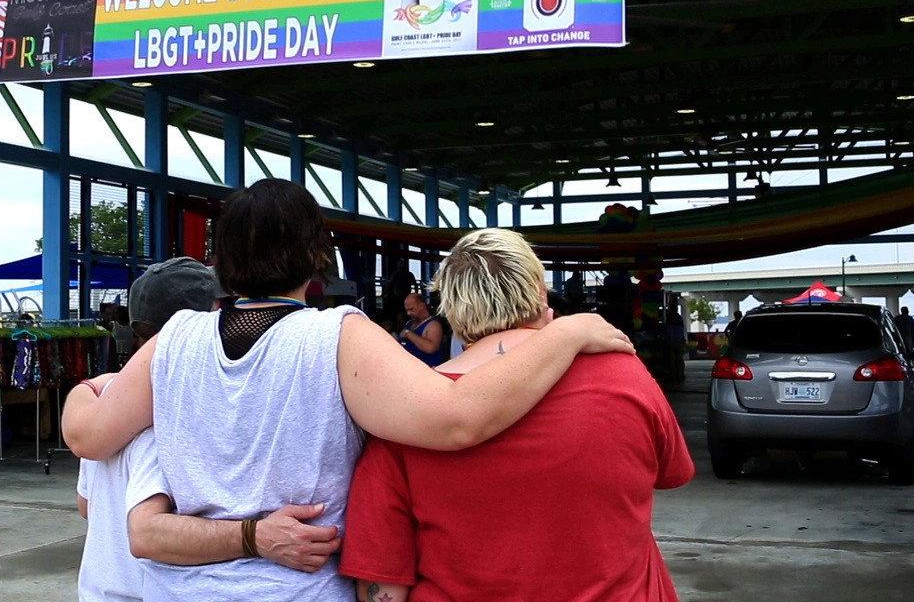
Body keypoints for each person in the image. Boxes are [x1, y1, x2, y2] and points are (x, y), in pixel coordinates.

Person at [62, 179, 632, 602]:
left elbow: (88, 436)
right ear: (317, 256)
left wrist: (89, 386)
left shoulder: (174, 339)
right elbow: (459, 418)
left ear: (220, 261)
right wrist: (564, 334)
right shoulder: (336, 335)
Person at [341, 228, 695, 602]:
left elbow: (383, 588)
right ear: (541, 294)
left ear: (453, 312)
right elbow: (673, 473)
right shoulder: (626, 375)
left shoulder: (408, 415)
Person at [76, 257, 330, 601]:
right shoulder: (165, 418)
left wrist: (83, 390)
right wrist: (255, 535)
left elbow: (86, 505)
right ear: (195, 322)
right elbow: (146, 533)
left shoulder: (104, 406)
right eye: (222, 310)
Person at [398, 293, 445, 366]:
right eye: (407, 310)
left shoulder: (433, 325)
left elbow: (431, 348)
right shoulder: (409, 323)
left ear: (421, 306)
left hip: (426, 369)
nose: (408, 313)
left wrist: (408, 334)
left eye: (411, 309)